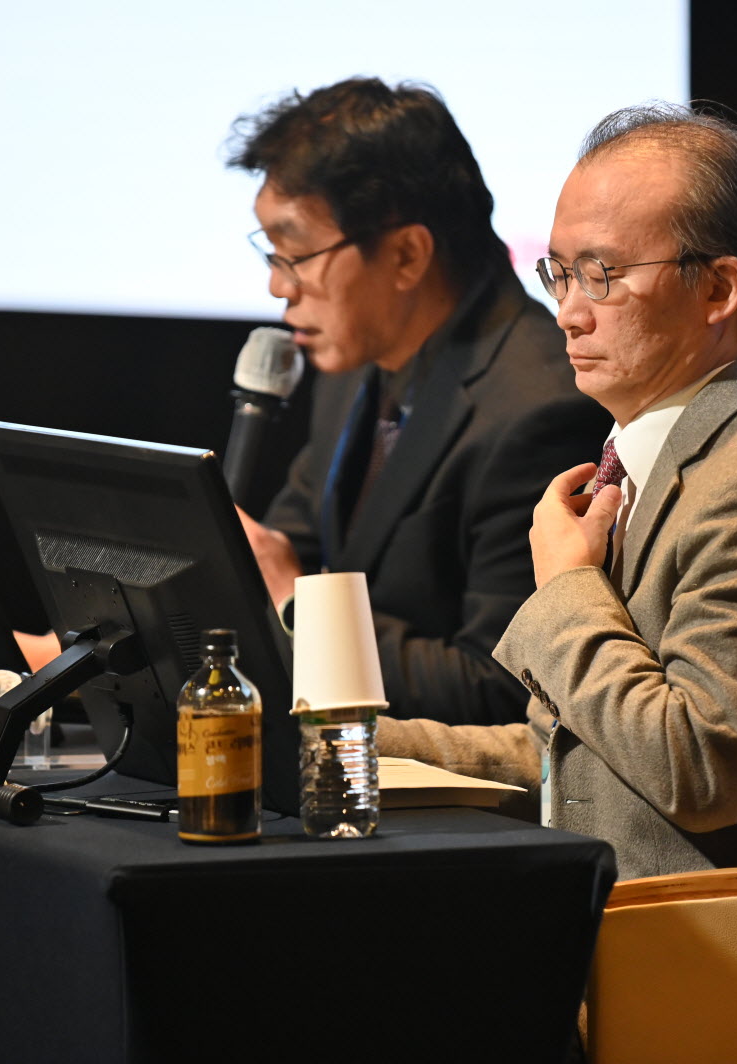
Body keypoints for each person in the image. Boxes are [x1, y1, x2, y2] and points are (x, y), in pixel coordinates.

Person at [378, 103, 737, 880]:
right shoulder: (640, 465)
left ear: (719, 289)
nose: (568, 314)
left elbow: (695, 772)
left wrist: (568, 587)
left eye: (602, 275)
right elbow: (574, 759)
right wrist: (350, 744)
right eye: (559, 274)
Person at [226, 77, 609, 726]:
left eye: (297, 255)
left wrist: (297, 607)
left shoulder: (538, 406)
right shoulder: (356, 363)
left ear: (406, 255)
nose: (277, 287)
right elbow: (285, 548)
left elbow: (502, 686)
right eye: (272, 253)